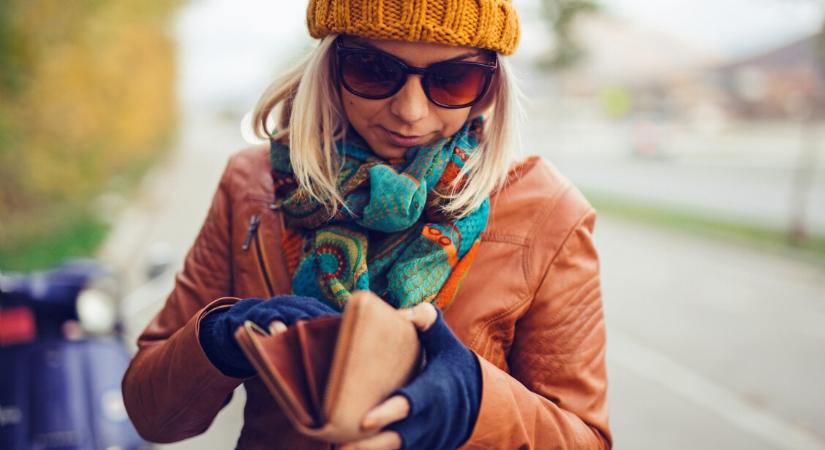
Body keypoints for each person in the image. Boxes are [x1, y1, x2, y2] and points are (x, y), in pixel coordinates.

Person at [121, 0, 612, 449]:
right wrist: (221, 338)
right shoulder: (250, 186)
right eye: (374, 70)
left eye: (452, 80)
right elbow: (152, 415)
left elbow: (585, 438)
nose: (410, 111)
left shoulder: (548, 212)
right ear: (330, 65)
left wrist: (475, 404)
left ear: (491, 86)